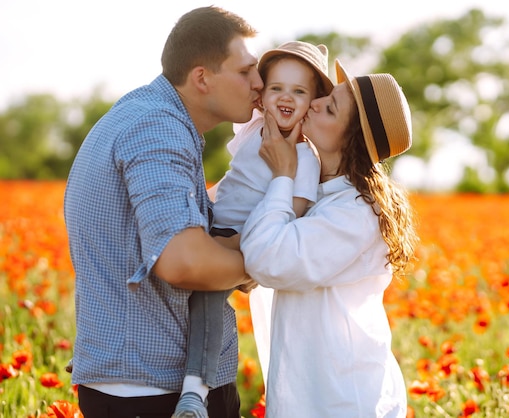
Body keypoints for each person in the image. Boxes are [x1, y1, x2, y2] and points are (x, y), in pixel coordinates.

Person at [63, 6, 260, 418]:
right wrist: (262, 261)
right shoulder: (157, 127)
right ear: (202, 77)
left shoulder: (143, 115)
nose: (259, 84)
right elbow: (183, 261)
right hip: (153, 391)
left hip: (137, 381)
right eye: (246, 71)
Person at [240, 59, 417, 418]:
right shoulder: (321, 193)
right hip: (318, 394)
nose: (315, 103)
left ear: (351, 139)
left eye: (330, 107)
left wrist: (282, 175)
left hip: (343, 402)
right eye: (325, 96)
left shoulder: (355, 212)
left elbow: (266, 260)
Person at [174, 41, 334, 418]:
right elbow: (245, 82)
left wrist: (242, 251)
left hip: (239, 239)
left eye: (299, 91)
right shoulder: (253, 127)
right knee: (157, 259)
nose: (285, 97)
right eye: (277, 88)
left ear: (312, 103)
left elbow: (289, 218)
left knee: (209, 298)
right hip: (207, 218)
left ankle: (195, 391)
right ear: (262, 96)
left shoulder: (306, 160)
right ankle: (108, 353)